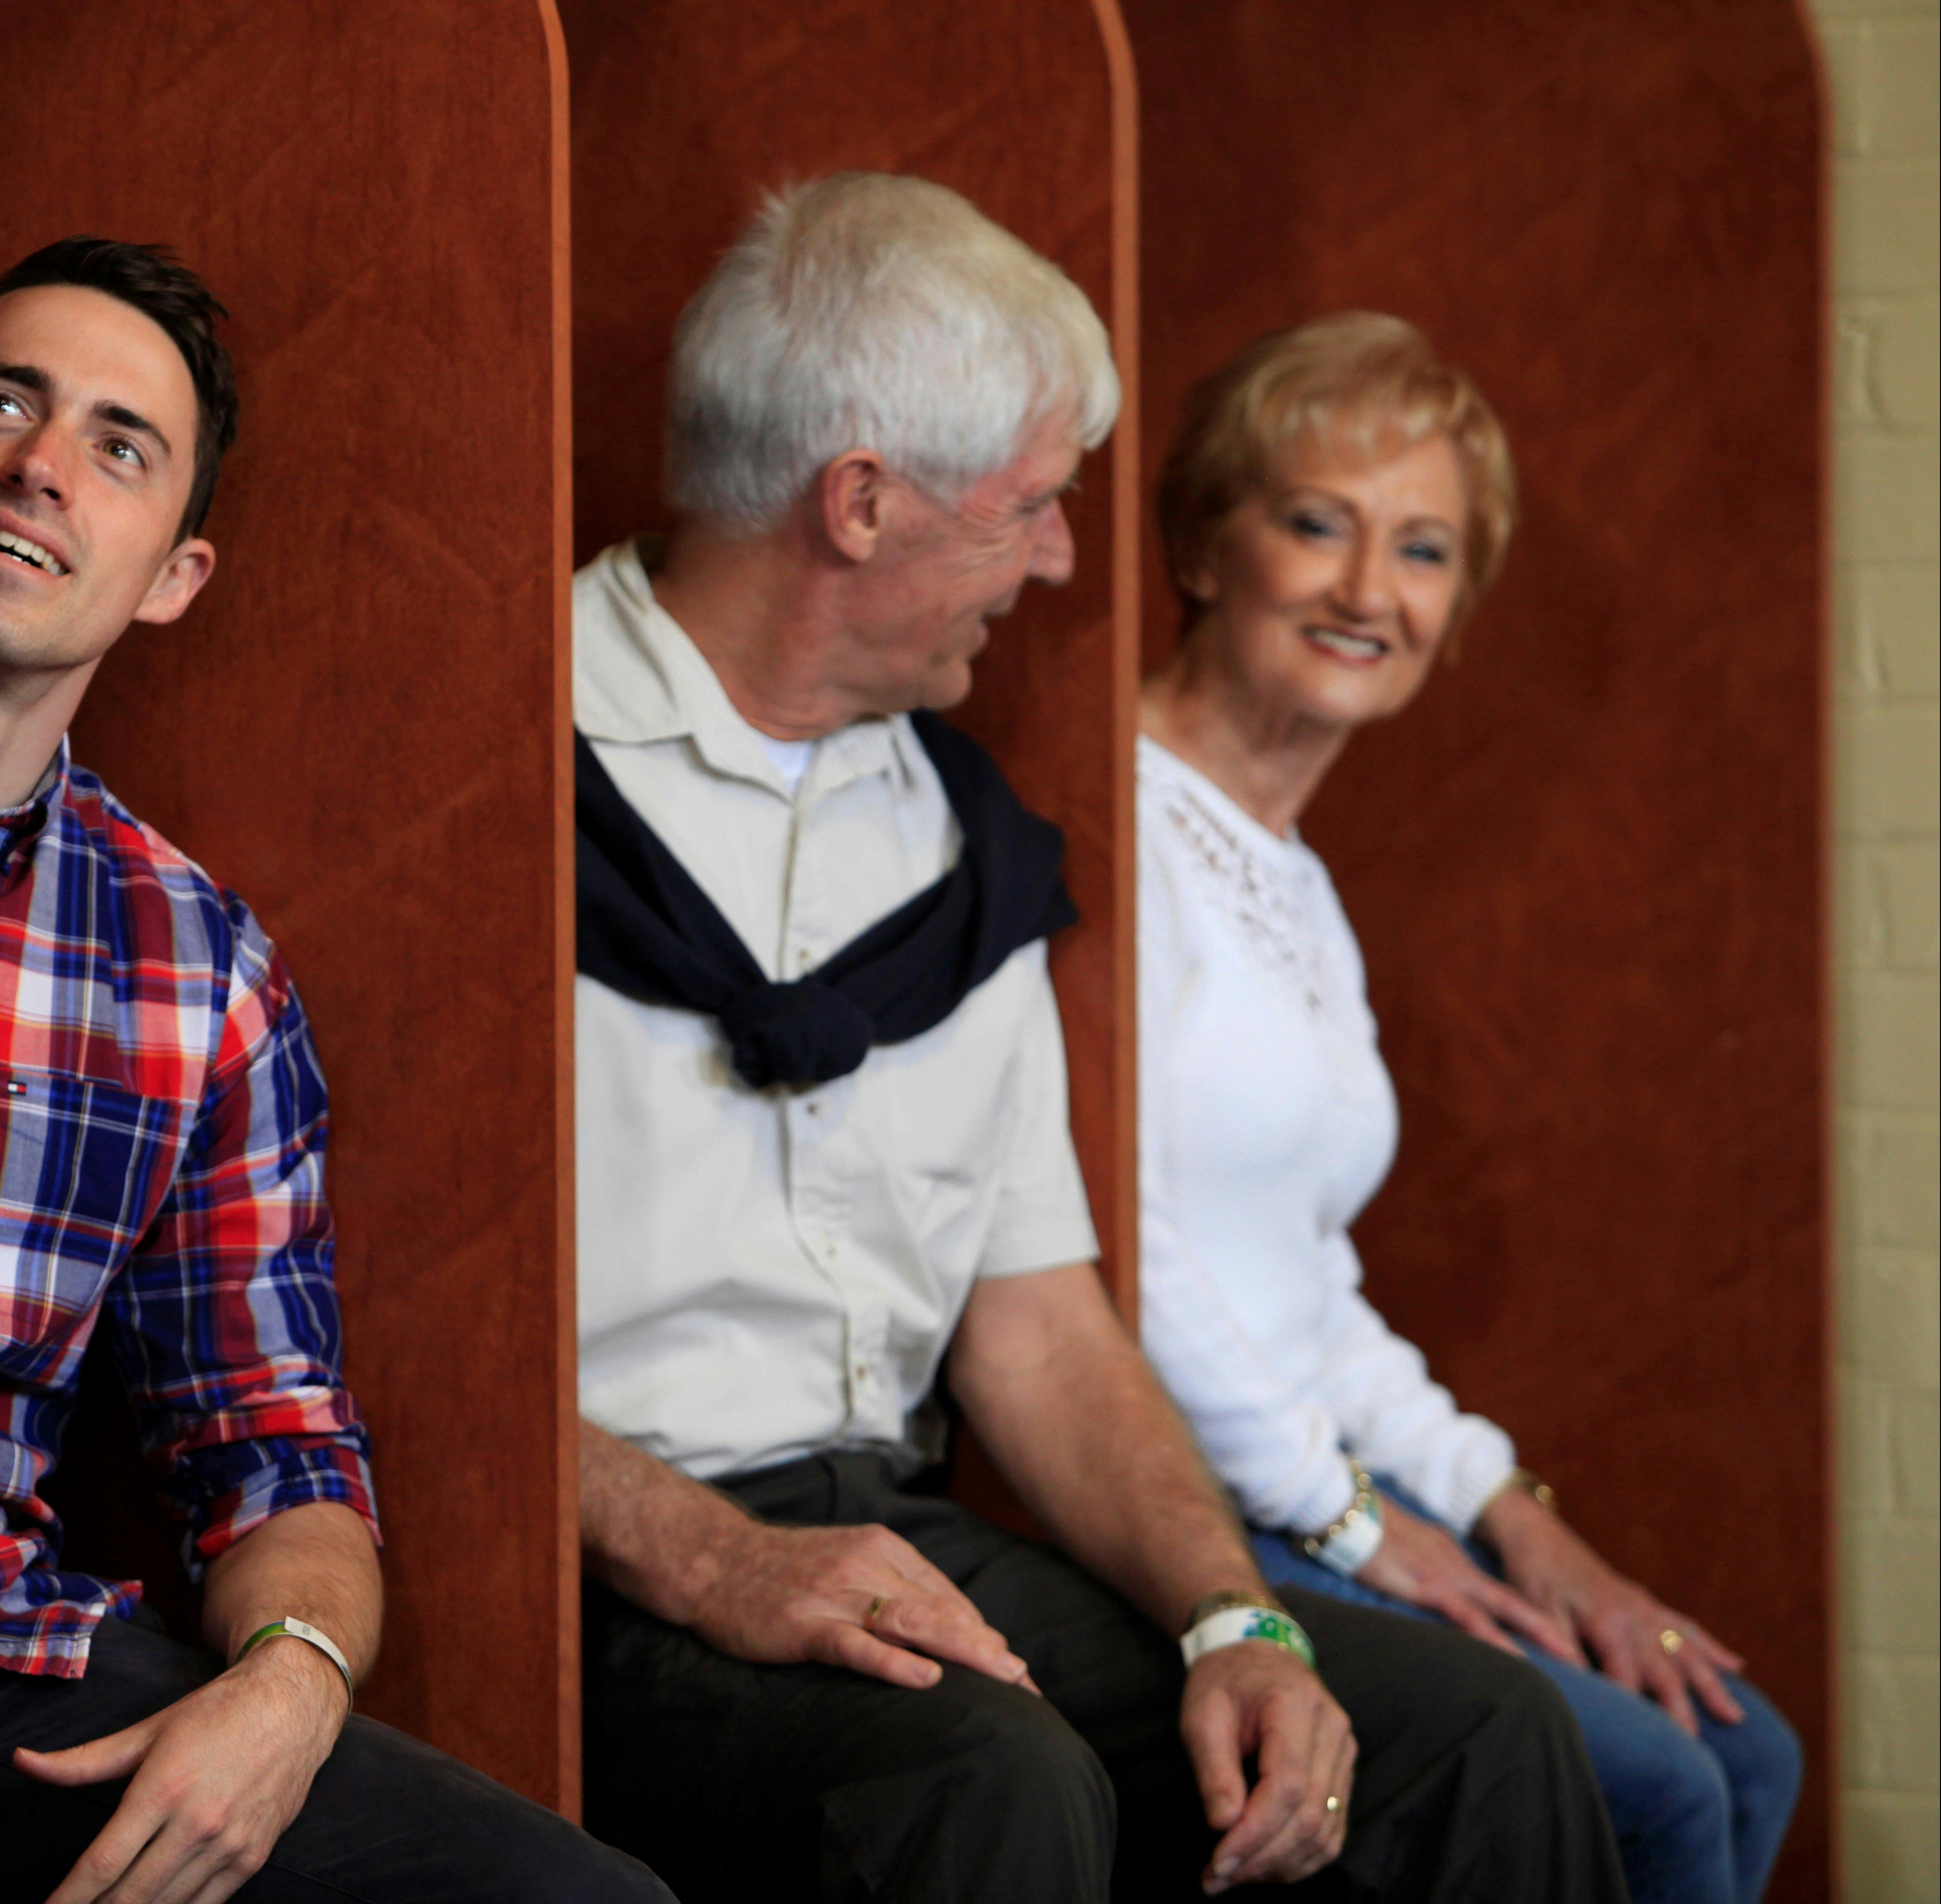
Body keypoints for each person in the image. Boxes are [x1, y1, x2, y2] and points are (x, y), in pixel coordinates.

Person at [570, 174, 1630, 1904]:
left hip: (891, 1525)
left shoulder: (959, 846)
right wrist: (704, 1559)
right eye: (1030, 507)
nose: (1068, 557)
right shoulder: (499, 784)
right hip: (596, 1554)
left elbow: (1042, 1326)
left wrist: (1241, 1618)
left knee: (1470, 1740)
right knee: (989, 1783)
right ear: (860, 504)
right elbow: (374, 1338)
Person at [0, 236, 670, 1904]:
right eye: (1, 402)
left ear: (172, 573)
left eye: (118, 447)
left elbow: (276, 1447)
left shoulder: (195, 968)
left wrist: (288, 1692)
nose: (41, 467)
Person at [1132, 311, 1802, 1904]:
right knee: (1644, 1786)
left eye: (1422, 550)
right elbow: (1115, 1252)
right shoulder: (1111, 823)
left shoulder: (1290, 880)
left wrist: (1514, 1516)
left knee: (1740, 1744)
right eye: (1317, 525)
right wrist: (1358, 1525)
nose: (1371, 593)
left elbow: (1304, 1281)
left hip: (1310, 1484)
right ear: (1204, 544)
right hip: (1182, 1507)